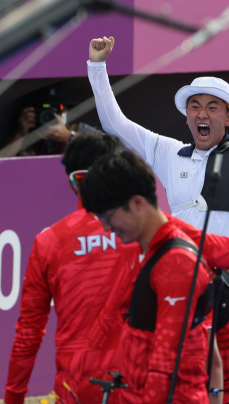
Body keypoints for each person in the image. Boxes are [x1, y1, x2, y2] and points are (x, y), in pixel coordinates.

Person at [87, 12, 229, 314]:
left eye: (212, 107)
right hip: (185, 284)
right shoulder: (167, 152)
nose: (202, 114)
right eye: (195, 106)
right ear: (186, 115)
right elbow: (114, 124)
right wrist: (97, 66)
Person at [80, 149, 229, 404]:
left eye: (107, 217)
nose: (106, 228)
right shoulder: (148, 242)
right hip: (222, 386)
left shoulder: (177, 257)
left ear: (137, 203)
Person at [4, 131, 139, 404]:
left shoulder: (49, 241)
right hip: (140, 388)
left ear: (72, 182)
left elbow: (29, 332)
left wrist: (13, 397)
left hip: (76, 391)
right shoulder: (145, 231)